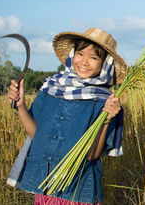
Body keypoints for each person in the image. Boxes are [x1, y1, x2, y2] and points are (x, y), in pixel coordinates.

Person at [7, 27, 127, 204]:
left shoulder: (106, 102)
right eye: (80, 54)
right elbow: (37, 136)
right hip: (45, 187)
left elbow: (92, 155)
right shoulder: (51, 88)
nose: (85, 62)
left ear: (105, 64)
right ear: (72, 55)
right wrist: (21, 107)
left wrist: (107, 118)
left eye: (94, 57)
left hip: (78, 191)